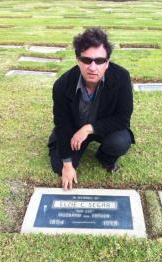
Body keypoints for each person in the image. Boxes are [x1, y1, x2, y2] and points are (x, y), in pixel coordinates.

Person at [48, 27, 135, 190]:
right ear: (78, 60)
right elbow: (63, 123)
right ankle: (60, 145)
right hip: (74, 128)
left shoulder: (121, 77)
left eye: (100, 61)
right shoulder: (62, 85)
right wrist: (67, 164)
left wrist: (89, 128)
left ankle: (104, 157)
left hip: (103, 127)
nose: (93, 67)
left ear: (107, 62)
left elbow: (122, 119)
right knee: (58, 165)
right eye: (87, 60)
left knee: (120, 142)